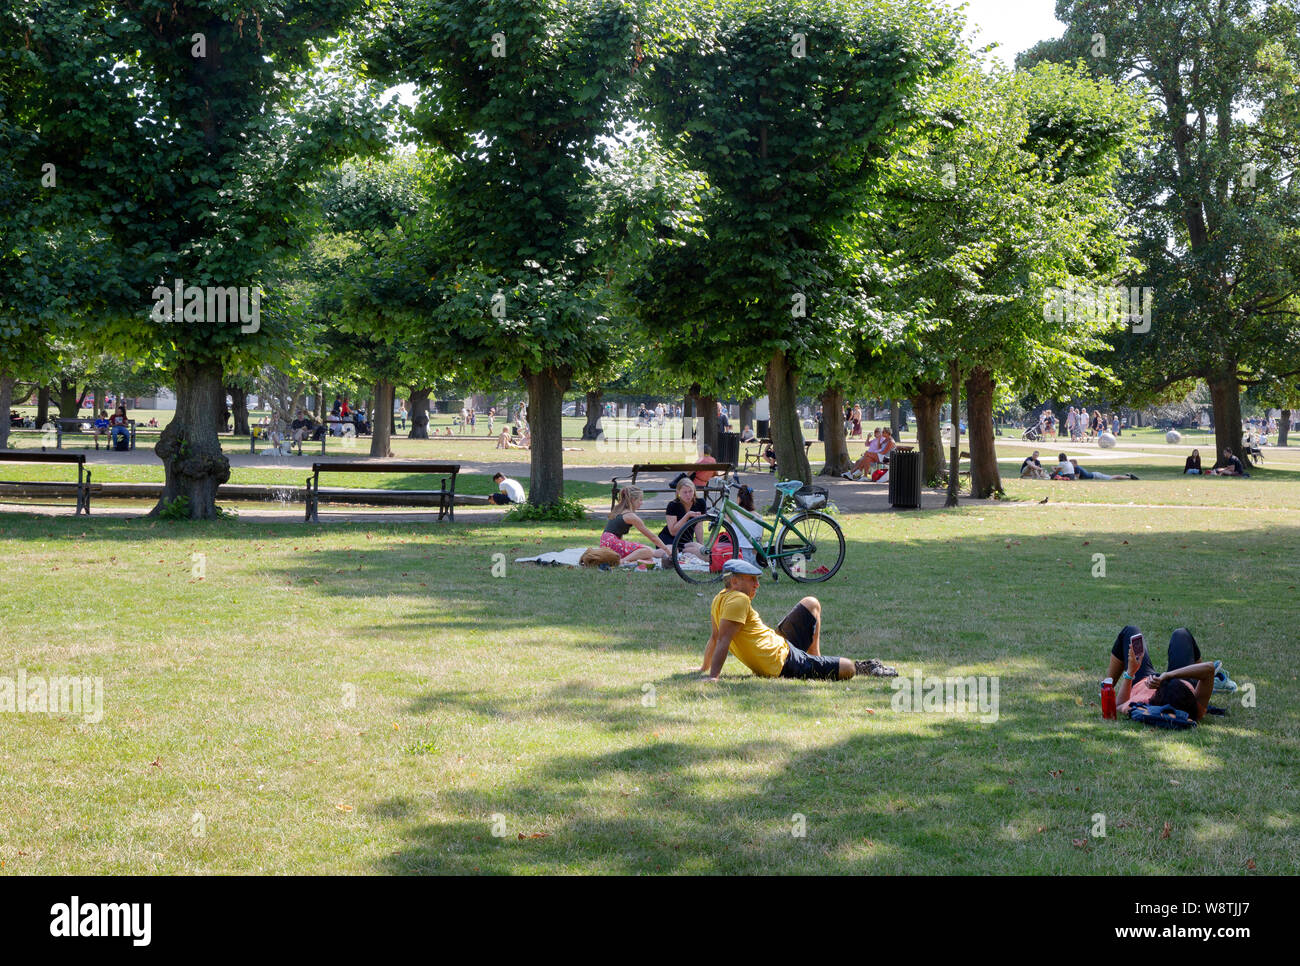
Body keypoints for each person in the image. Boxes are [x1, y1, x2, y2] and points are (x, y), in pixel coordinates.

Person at [700, 558, 897, 681]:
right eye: (752, 579)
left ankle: (816, 659)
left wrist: (703, 667)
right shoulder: (739, 600)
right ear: (735, 582)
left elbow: (715, 637)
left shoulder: (720, 597)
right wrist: (713, 677)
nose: (757, 585)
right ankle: (862, 667)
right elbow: (723, 640)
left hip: (780, 645)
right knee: (848, 668)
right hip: (783, 662)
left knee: (811, 603)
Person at [1105, 625, 1216, 723]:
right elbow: (1209, 668)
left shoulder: (1142, 704)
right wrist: (1168, 676)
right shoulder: (1197, 708)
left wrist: (1131, 671)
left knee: (1130, 631)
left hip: (1142, 680)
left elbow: (1119, 705)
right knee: (1181, 634)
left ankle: (1106, 686)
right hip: (1184, 678)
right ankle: (1195, 682)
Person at [602, 486, 670, 566]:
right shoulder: (630, 516)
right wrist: (667, 550)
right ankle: (621, 562)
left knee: (648, 559)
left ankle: (626, 562)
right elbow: (652, 537)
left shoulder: (619, 509)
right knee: (649, 551)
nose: (642, 502)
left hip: (605, 543)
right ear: (633, 500)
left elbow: (617, 533)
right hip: (612, 543)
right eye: (640, 500)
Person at [658, 477, 707, 556]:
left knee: (699, 552)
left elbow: (699, 527)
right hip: (669, 538)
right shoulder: (673, 505)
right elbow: (673, 532)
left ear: (694, 490)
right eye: (685, 492)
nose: (688, 495)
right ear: (678, 492)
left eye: (690, 491)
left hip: (686, 539)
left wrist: (701, 545)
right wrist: (687, 516)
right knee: (674, 552)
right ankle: (650, 553)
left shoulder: (700, 502)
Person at [1069, 458, 1137, 481]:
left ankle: (1129, 477)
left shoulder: (1077, 468)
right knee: (1112, 477)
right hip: (1095, 474)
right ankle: (1127, 476)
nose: (1070, 465)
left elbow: (1077, 478)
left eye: (1071, 463)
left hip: (1096, 475)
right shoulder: (1077, 467)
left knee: (1112, 477)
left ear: (1075, 463)